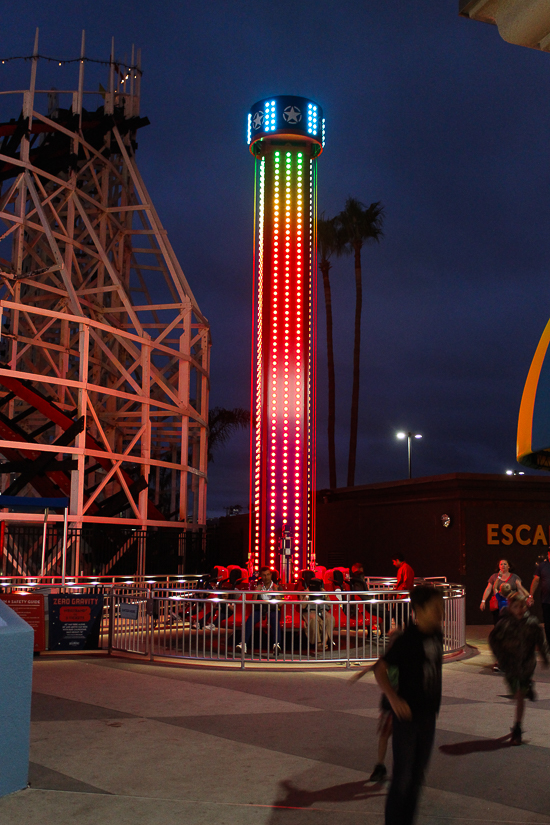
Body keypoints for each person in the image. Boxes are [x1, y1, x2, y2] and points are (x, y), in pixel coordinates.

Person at [374, 585, 444, 825]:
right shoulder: (407, 641)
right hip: (407, 718)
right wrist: (393, 698)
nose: (441, 613)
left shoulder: (436, 634)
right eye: (436, 608)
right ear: (419, 610)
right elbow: (380, 669)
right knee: (403, 777)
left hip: (428, 716)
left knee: (417, 777)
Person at [489, 591, 549, 745]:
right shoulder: (504, 624)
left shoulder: (532, 623)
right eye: (516, 606)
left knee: (519, 695)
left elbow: (540, 640)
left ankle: (517, 727)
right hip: (509, 665)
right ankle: (527, 686)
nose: (520, 610)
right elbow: (494, 640)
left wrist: (544, 656)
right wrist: (500, 657)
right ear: (510, 607)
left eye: (522, 606)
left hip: (526, 664)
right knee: (515, 692)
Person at [235, 567, 282, 654]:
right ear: (261, 576)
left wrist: (275, 592)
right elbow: (254, 602)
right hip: (260, 609)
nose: (266, 577)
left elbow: (280, 604)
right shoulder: (258, 587)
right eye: (264, 575)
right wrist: (256, 592)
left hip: (273, 609)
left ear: (271, 575)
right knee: (250, 619)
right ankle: (243, 644)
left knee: (275, 619)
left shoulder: (277, 587)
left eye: (268, 575)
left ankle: (276, 645)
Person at [480, 559, 528, 625]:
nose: (503, 566)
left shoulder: (514, 577)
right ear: (499, 566)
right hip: (498, 604)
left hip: (511, 603)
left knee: (511, 623)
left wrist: (525, 599)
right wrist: (483, 601)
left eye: (505, 564)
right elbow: (489, 589)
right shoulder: (494, 576)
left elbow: (520, 589)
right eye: (501, 564)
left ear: (509, 566)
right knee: (498, 622)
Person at [301, 577, 335, 650]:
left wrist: (325, 594)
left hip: (322, 609)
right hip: (310, 611)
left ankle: (325, 642)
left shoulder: (322, 592)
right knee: (314, 619)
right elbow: (303, 606)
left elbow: (329, 604)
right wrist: (307, 595)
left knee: (329, 618)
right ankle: (318, 643)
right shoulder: (304, 592)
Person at [529, 549, 550, 644]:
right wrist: (531, 595)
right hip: (546, 600)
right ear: (548, 554)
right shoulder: (542, 566)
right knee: (548, 623)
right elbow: (536, 580)